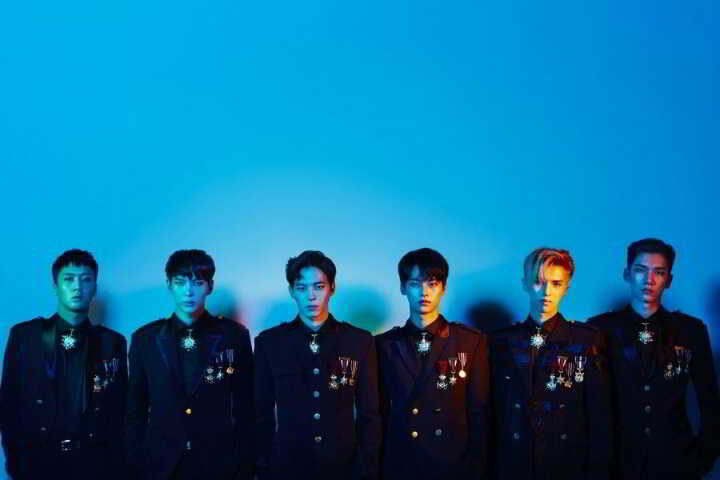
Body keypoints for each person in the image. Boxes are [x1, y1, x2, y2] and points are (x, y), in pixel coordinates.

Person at [588, 238, 720, 479]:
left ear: (668, 280)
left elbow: (711, 401)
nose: (649, 280)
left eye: (659, 272)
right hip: (617, 464)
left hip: (675, 463)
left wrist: (702, 460)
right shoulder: (600, 329)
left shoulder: (690, 331)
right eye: (641, 270)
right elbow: (587, 401)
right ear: (627, 274)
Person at [125, 249, 253, 480]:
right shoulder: (145, 339)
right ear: (169, 285)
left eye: (197, 282)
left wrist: (244, 464)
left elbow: (246, 406)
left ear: (210, 286)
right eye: (180, 282)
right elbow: (136, 411)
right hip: (161, 466)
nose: (189, 291)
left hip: (220, 465)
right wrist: (138, 464)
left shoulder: (234, 336)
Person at [0, 249, 127, 480]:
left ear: (94, 288)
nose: (77, 287)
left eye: (86, 279)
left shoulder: (112, 342)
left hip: (96, 466)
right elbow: (8, 404)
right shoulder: (25, 336)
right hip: (38, 465)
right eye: (68, 279)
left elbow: (121, 408)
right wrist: (16, 464)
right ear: (55, 287)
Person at [254, 250, 381, 480]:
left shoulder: (359, 341)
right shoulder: (270, 343)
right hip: (287, 469)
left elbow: (369, 414)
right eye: (302, 288)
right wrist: (265, 468)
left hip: (345, 469)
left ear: (332, 288)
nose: (311, 296)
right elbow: (261, 414)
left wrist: (365, 468)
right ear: (292, 291)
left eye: (319, 287)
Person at [489, 247, 612, 480]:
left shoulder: (586, 340)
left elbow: (599, 416)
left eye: (556, 284)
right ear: (525, 284)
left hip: (566, 464)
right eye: (539, 282)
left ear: (567, 287)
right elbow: (492, 414)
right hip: (513, 464)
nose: (546, 292)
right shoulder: (500, 341)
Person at [375, 248, 489, 479]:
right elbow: (378, 413)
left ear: (443, 288)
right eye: (415, 283)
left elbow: (479, 412)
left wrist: (476, 468)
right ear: (402, 288)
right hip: (401, 463)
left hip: (452, 464)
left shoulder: (470, 342)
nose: (423, 292)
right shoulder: (383, 344)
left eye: (432, 284)